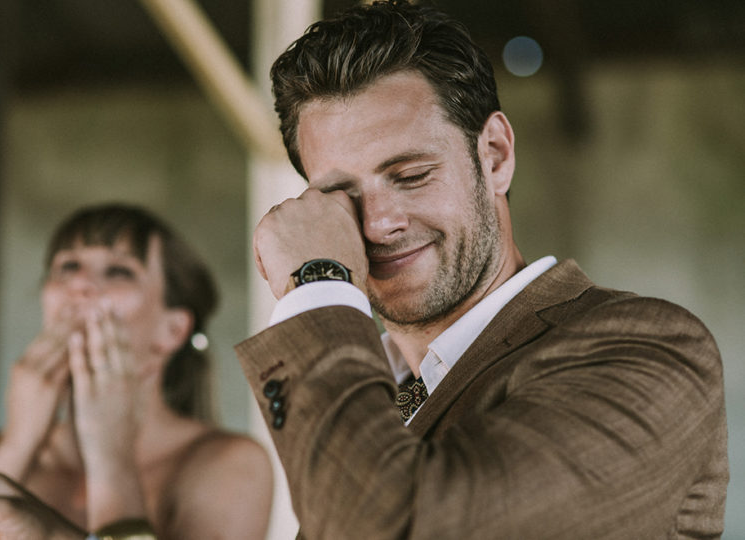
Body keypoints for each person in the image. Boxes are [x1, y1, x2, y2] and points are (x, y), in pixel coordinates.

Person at [236, 0, 729, 538]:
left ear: (495, 155)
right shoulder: (384, 391)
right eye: (339, 194)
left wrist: (316, 285)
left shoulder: (647, 351)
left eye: (411, 175)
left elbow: (398, 526)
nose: (378, 224)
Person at [0, 203, 272, 539]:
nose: (79, 284)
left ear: (172, 331)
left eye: (118, 271)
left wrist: (111, 458)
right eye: (68, 265)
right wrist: (19, 440)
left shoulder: (227, 463)